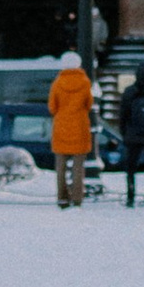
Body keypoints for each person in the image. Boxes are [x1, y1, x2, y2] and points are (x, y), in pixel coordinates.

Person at [48, 49, 94, 206]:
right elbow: (89, 104)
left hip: (61, 127)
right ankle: (77, 198)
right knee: (78, 168)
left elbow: (52, 107)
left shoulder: (58, 82)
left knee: (60, 167)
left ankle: (62, 197)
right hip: (80, 126)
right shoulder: (85, 82)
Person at [118, 66, 144, 209]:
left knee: (131, 167)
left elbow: (123, 115)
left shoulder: (129, 92)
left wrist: (124, 133)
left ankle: (131, 194)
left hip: (133, 135)